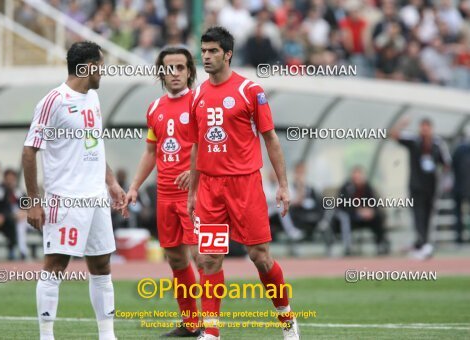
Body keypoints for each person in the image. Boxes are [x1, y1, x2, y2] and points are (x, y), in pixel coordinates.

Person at [187, 27, 300, 340]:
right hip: (210, 188)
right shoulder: (196, 95)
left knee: (260, 257)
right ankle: (211, 332)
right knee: (208, 258)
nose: (206, 57)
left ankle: (288, 322)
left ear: (228, 54)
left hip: (245, 185)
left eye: (212, 51)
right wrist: (193, 190)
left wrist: (283, 185)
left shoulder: (250, 91)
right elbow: (197, 144)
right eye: (204, 50)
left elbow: (271, 139)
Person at [22, 41, 128, 340]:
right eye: (101, 66)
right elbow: (29, 152)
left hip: (95, 198)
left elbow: (94, 144)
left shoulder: (93, 99)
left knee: (102, 264)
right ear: (88, 66)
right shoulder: (53, 101)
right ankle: (46, 335)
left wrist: (111, 182)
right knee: (56, 264)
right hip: (65, 199)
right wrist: (33, 202)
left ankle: (107, 335)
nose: (103, 73)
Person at [126, 45, 202, 337]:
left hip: (194, 195)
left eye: (180, 67)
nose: (175, 73)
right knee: (176, 260)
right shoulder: (154, 108)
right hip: (165, 196)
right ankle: (191, 324)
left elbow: (214, 145)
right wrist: (134, 186)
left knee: (202, 258)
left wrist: (195, 171)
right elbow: (150, 152)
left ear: (189, 71)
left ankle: (211, 326)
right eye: (169, 68)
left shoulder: (200, 103)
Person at [390, 117, 451, 259]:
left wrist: (444, 180)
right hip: (416, 186)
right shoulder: (413, 141)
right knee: (418, 215)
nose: (424, 130)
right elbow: (392, 135)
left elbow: (446, 163)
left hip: (431, 186)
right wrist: (401, 124)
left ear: (431, 128)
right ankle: (423, 244)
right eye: (422, 127)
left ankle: (422, 243)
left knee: (428, 216)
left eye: (427, 127)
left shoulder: (437, 143)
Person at [333, 166, 389, 256]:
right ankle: (348, 248)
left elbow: (374, 202)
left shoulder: (367, 187)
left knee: (378, 216)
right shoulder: (346, 188)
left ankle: (381, 244)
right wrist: (358, 211)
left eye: (359, 175)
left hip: (366, 218)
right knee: (346, 219)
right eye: (356, 175)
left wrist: (370, 211)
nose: (358, 177)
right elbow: (343, 205)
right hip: (351, 217)